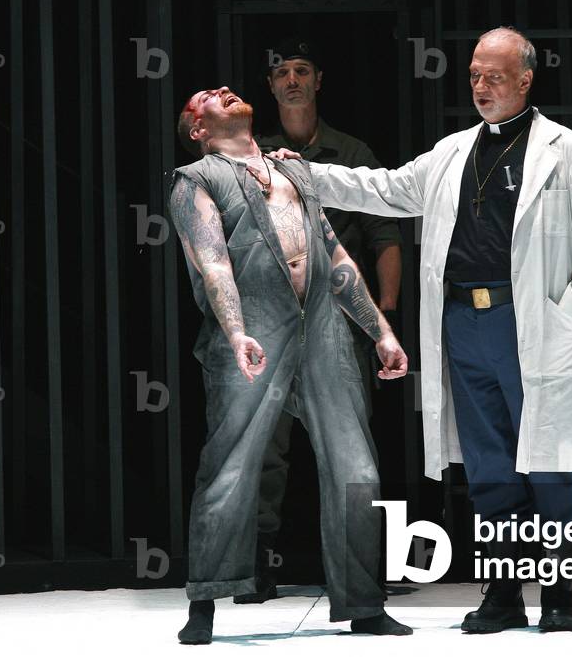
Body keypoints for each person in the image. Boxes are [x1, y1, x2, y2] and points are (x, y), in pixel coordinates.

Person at [272, 26, 572, 633]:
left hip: (531, 320)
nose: (482, 87)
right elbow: (383, 188)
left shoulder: (565, 150)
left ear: (525, 79)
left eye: (494, 76)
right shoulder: (453, 151)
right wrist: (308, 176)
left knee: (550, 462)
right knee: (489, 465)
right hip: (463, 321)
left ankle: (559, 593)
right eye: (475, 76)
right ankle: (503, 594)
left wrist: (569, 319)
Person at [168, 86, 413, 644]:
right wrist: (235, 332)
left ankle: (364, 603)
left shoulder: (296, 171)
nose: (224, 92)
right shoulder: (196, 179)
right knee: (231, 464)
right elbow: (212, 263)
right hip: (255, 326)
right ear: (197, 129)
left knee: (358, 469)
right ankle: (205, 602)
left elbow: (334, 252)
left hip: (323, 329)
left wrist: (381, 331)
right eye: (208, 97)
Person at [232, 38, 403, 604]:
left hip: (338, 319)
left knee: (352, 450)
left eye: (301, 70)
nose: (292, 80)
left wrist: (384, 319)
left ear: (319, 79)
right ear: (270, 85)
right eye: (281, 72)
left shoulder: (351, 151)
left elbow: (384, 236)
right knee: (264, 448)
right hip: (274, 321)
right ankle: (256, 564)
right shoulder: (255, 156)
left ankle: (362, 571)